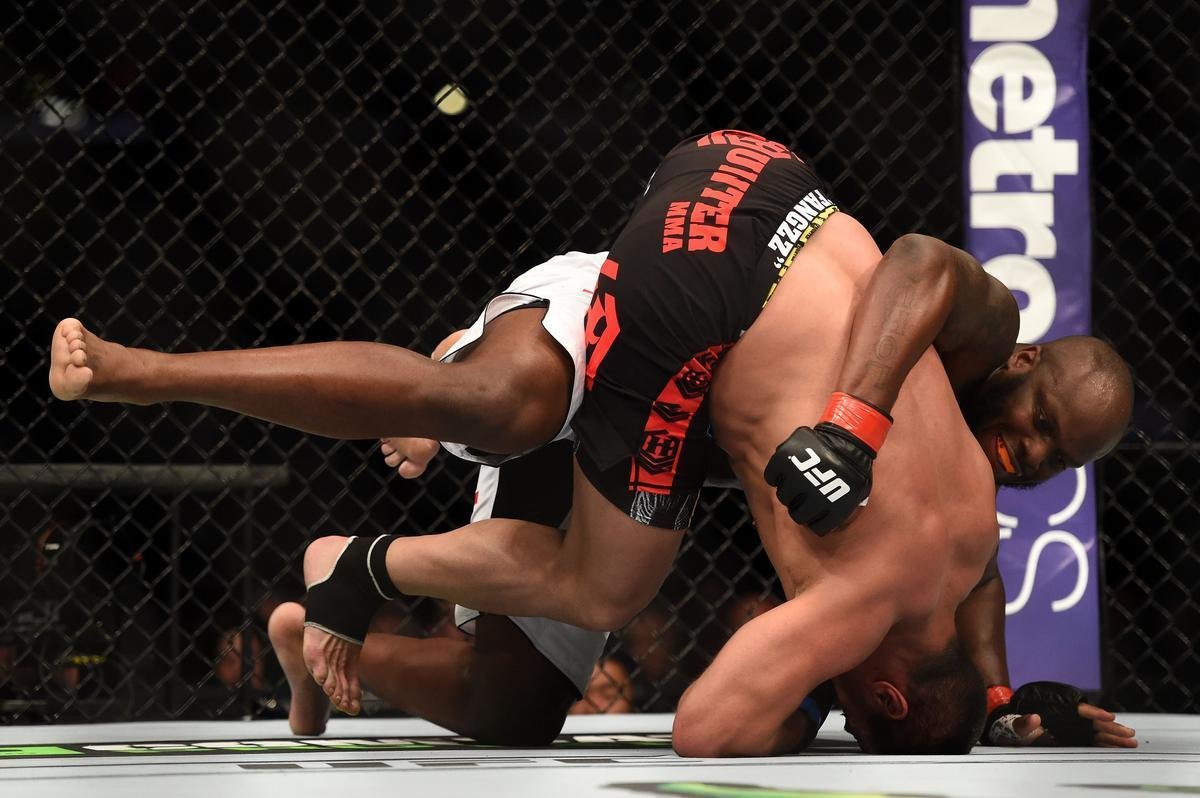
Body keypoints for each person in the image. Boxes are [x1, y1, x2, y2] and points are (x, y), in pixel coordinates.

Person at [49, 130, 1134, 754]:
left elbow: (977, 602)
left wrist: (1005, 704)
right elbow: (920, 260)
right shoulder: (964, 336)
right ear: (1027, 367)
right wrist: (853, 422)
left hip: (679, 363)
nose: (1029, 456)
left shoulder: (961, 523)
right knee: (510, 419)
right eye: (1038, 426)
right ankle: (142, 371)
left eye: (1053, 463)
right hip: (679, 292)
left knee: (512, 709)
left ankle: (336, 595)